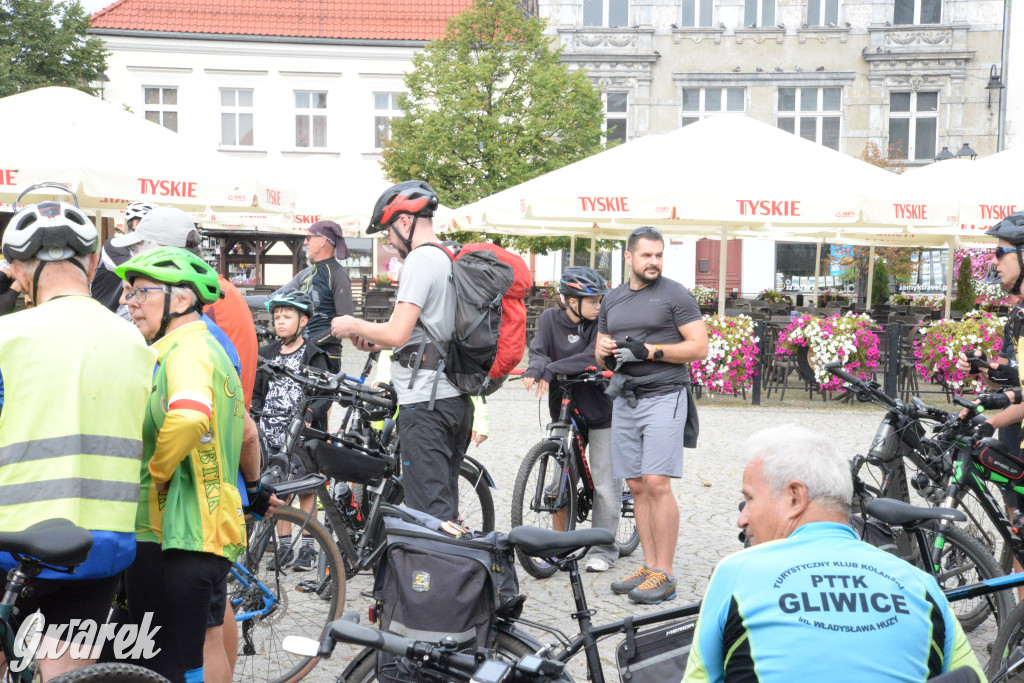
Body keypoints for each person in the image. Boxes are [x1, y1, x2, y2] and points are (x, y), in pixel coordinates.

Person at [683, 425, 985, 682]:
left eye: (749, 499)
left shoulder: (737, 572)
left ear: (794, 498)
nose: (742, 518)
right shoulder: (921, 584)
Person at [112, 206, 273, 683]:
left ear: (180, 299)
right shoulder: (183, 347)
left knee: (170, 662)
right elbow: (244, 429)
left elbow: (187, 415)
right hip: (189, 532)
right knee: (181, 656)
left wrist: (156, 472)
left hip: (180, 533)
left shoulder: (189, 350)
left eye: (140, 291)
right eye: (127, 290)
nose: (128, 301)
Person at [0, 201, 156, 679]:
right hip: (100, 542)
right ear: (90, 263)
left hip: (13, 537)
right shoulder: (133, 341)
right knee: (69, 669)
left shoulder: (8, 335)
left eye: (14, 270)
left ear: (25, 268)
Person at [330, 180, 472, 522]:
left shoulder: (421, 260)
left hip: (426, 404)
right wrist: (375, 340)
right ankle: (455, 571)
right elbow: (425, 330)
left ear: (406, 222)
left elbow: (396, 332)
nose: (389, 242)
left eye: (389, 232)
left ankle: (445, 575)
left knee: (429, 518)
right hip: (454, 400)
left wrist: (352, 325)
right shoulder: (448, 256)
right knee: (444, 510)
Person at [595, 225, 708, 604]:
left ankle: (666, 573)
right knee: (637, 485)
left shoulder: (676, 295)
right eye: (646, 255)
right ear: (628, 257)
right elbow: (599, 352)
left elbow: (699, 347)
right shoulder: (612, 300)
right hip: (625, 398)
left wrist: (650, 352)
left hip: (665, 395)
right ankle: (648, 565)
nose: (654, 262)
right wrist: (606, 348)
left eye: (658, 255)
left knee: (657, 482)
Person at [522, 266, 618, 573]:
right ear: (568, 300)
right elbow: (539, 351)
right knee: (559, 480)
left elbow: (593, 357)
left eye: (600, 299)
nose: (598, 305)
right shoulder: (550, 320)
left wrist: (552, 368)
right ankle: (558, 544)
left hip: (600, 408)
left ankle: (604, 548)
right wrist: (536, 369)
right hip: (565, 409)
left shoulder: (601, 323)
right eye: (591, 300)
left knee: (604, 483)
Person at [252, 288, 330, 570]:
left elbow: (325, 394)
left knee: (306, 488)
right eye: (276, 317)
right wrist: (255, 415)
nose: (280, 321)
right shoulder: (266, 353)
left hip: (300, 433)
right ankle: (283, 546)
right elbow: (258, 392)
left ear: (304, 321)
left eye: (287, 316)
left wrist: (311, 413)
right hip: (270, 432)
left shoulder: (313, 354)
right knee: (277, 488)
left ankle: (308, 547)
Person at [91, 200, 156, 316]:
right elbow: (137, 273)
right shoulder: (114, 245)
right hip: (107, 318)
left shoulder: (150, 250)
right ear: (136, 224)